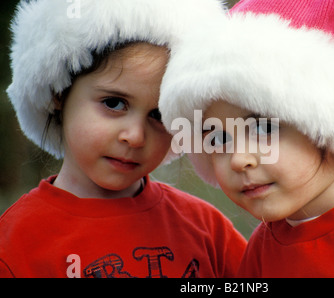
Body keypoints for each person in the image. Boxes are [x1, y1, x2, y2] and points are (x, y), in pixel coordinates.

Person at [159, 0, 334, 277]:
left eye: (263, 129)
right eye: (219, 138)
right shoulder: (262, 249)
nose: (238, 160)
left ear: (329, 124)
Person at [0, 0, 246, 278]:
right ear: (59, 92)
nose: (136, 136)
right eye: (114, 103)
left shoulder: (205, 229)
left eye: (159, 115)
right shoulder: (14, 243)